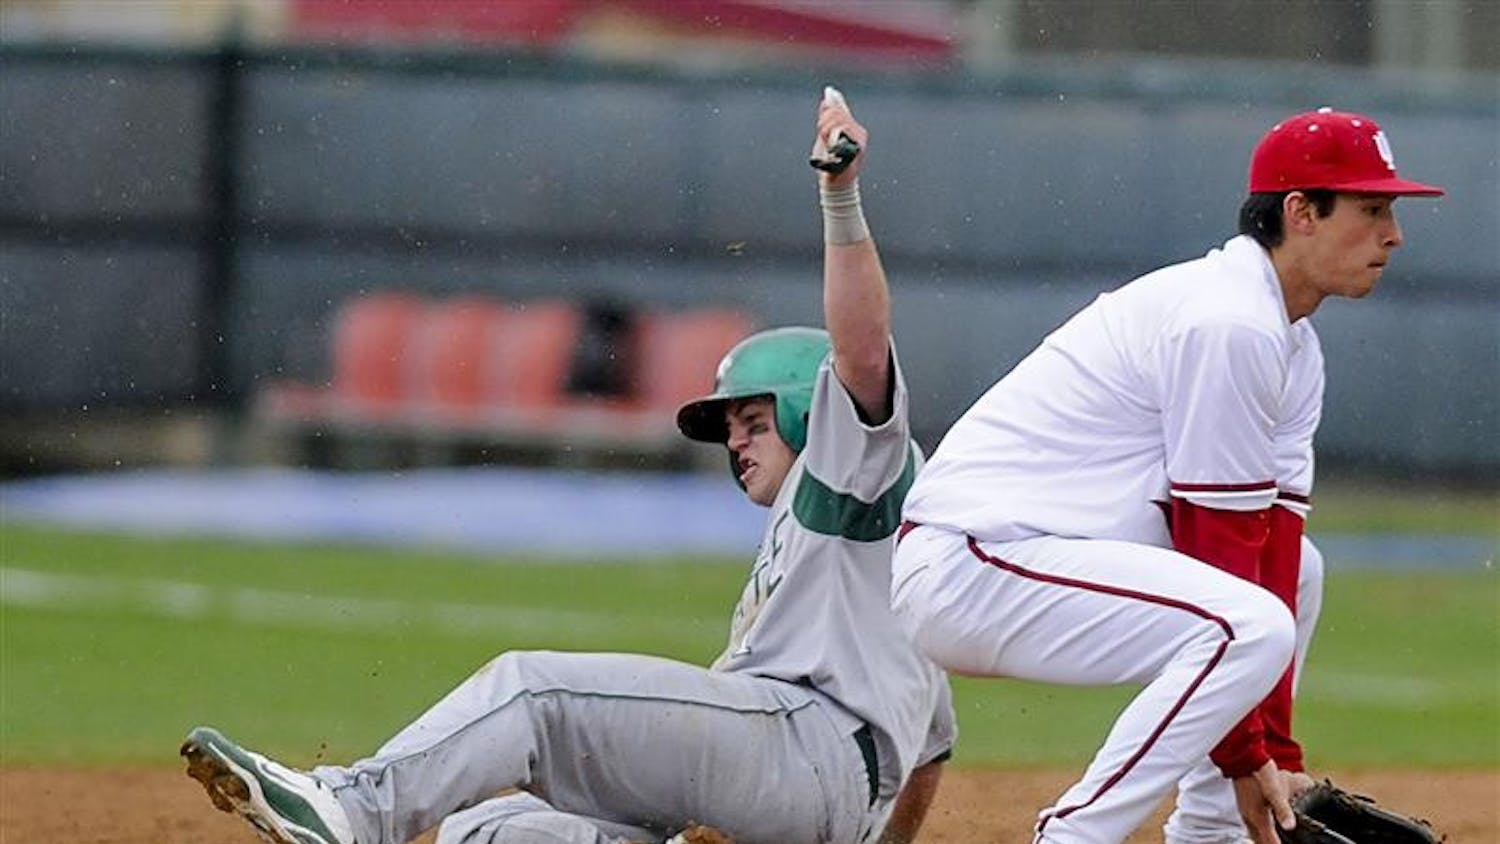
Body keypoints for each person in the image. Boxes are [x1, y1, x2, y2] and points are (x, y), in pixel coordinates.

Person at [180, 88, 955, 844]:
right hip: (797, 780)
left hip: (802, 751)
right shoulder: (868, 569)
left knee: (533, 692)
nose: (737, 442)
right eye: (730, 430)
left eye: (754, 421)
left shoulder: (851, 467)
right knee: (487, 827)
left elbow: (860, 350)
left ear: (809, 414)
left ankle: (352, 811)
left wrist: (841, 199)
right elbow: (932, 742)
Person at [889, 108, 1442, 844]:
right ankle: (1075, 833)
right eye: (1372, 209)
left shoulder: (1290, 343)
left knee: (1297, 576)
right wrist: (1247, 752)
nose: (1393, 234)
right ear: (1301, 212)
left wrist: (1277, 756)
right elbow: (1221, 546)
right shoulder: (1228, 322)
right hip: (974, 562)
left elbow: (1272, 546)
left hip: (1043, 556)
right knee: (1247, 623)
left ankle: (1213, 831)